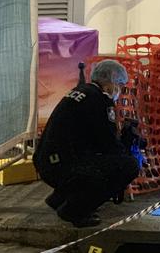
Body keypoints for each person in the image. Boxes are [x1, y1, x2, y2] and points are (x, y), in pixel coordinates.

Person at [34, 59, 140, 227]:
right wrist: (130, 153)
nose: (119, 90)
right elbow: (107, 143)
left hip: (45, 162)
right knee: (127, 166)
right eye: (119, 84)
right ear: (110, 81)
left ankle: (59, 198)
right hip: (62, 167)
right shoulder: (101, 101)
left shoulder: (81, 92)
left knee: (92, 159)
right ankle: (74, 210)